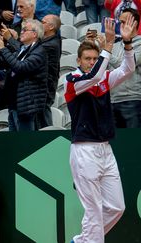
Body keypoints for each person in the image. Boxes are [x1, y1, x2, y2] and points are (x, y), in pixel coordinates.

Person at [64, 16, 136, 243]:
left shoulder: (103, 79)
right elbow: (94, 74)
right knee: (93, 211)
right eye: (87, 58)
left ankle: (81, 241)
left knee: (117, 207)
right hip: (84, 150)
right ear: (78, 60)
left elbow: (128, 69)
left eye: (94, 58)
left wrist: (125, 44)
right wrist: (107, 47)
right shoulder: (73, 80)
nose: (91, 61)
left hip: (105, 149)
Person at [0, 19, 48, 131]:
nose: (21, 32)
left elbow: (20, 67)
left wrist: (3, 49)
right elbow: (8, 63)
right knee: (14, 143)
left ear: (34, 34)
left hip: (26, 106)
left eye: (25, 30)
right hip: (14, 103)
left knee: (25, 143)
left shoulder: (39, 51)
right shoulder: (23, 49)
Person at [109, 8, 141, 128]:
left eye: (123, 22)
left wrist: (107, 51)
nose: (119, 25)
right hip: (112, 100)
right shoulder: (115, 44)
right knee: (116, 145)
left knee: (133, 143)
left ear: (135, 24)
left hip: (133, 99)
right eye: (119, 21)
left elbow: (127, 66)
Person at [37, 14, 62, 128]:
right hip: (42, 85)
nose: (40, 24)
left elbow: (32, 53)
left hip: (45, 87)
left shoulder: (51, 44)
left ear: (51, 27)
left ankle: (49, 138)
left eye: (43, 22)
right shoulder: (46, 40)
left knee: (44, 121)